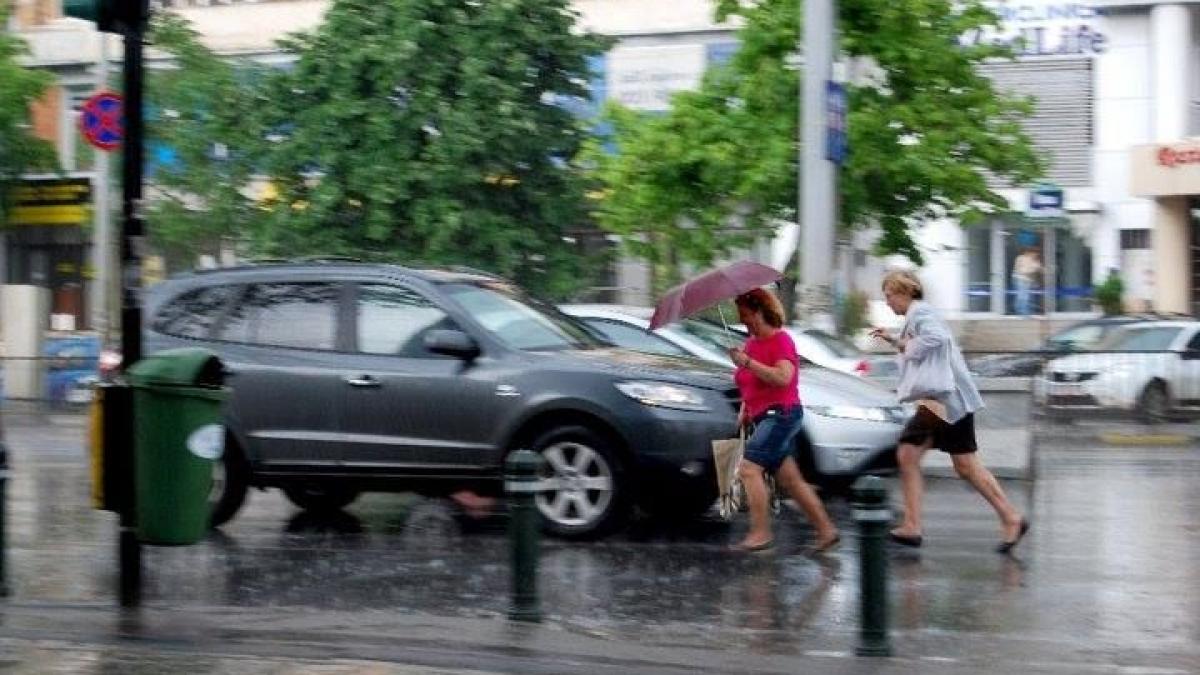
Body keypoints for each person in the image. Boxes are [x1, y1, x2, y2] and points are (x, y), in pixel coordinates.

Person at [871, 270, 1029, 553]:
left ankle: (914, 526)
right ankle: (1009, 517)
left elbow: (937, 339)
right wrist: (894, 339)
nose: (887, 302)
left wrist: (903, 343)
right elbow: (925, 344)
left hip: (945, 399)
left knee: (917, 455)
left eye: (889, 295)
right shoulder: (917, 316)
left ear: (905, 292)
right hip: (946, 400)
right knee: (958, 464)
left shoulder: (921, 314)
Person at [728, 288, 840, 553]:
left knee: (748, 469)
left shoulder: (782, 341)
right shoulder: (751, 344)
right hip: (764, 416)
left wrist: (747, 363)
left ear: (759, 312)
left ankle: (760, 534)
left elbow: (782, 378)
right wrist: (745, 408)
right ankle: (826, 530)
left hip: (782, 414)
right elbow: (752, 384)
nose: (744, 322)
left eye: (746, 316)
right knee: (791, 480)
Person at [1012, 247, 1042, 316]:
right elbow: (1021, 271)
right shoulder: (1020, 258)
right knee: (1022, 296)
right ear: (1029, 253)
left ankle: (1027, 312)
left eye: (1036, 254)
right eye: (1034, 254)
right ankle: (1021, 313)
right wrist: (1032, 270)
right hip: (1020, 279)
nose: (1035, 255)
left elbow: (1039, 269)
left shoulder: (1035, 261)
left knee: (1028, 297)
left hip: (1028, 281)